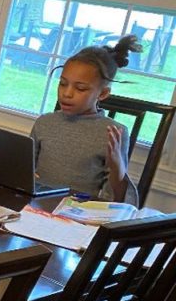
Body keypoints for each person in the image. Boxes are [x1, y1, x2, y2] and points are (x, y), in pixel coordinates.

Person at [31, 34, 142, 206]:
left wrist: (117, 169)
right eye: (62, 83)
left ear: (103, 93)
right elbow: (24, 173)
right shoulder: (44, 123)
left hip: (78, 214)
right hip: (35, 208)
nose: (67, 93)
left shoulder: (114, 133)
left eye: (80, 88)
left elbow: (117, 203)